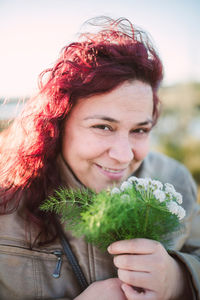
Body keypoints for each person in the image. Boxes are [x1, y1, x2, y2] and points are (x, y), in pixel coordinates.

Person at [0, 16, 199, 300]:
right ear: (58, 125)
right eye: (103, 127)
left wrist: (179, 279)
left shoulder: (174, 179)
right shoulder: (7, 200)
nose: (123, 155)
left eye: (140, 130)